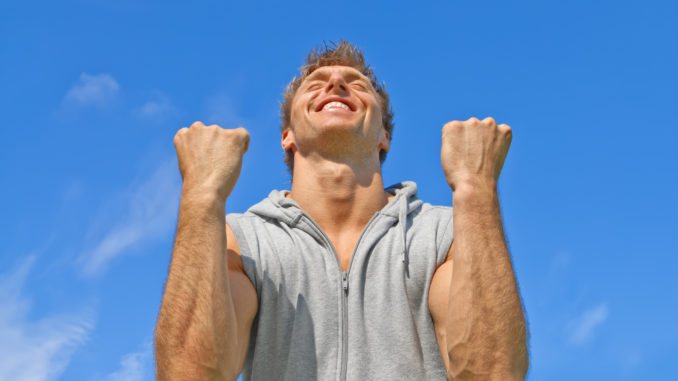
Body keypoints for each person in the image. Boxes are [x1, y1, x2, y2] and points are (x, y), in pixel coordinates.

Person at [155, 41, 529, 381]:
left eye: (356, 83)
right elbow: (191, 374)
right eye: (316, 83)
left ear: (384, 134)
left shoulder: (442, 232)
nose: (335, 83)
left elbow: (491, 371)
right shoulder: (244, 239)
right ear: (287, 135)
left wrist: (475, 189)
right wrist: (202, 195)